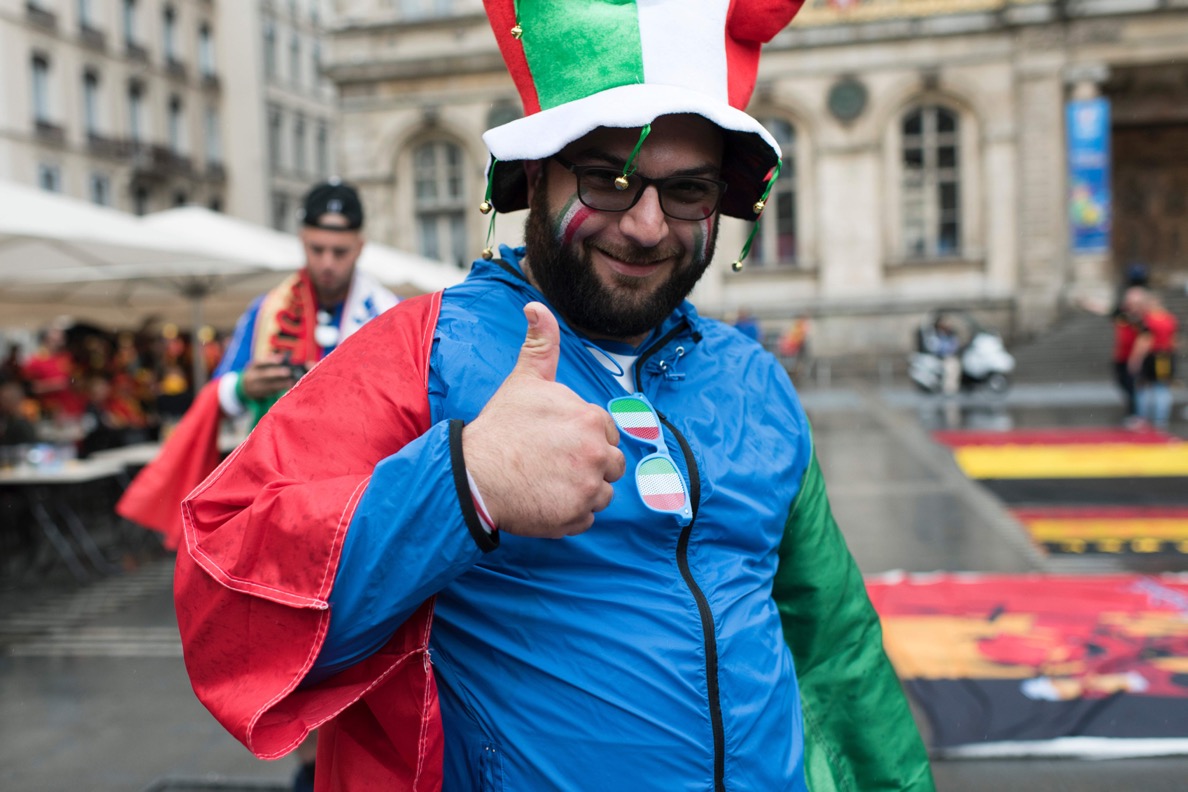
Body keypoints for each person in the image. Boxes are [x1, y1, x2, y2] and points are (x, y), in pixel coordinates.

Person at [175, 3, 934, 791]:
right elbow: (223, 595)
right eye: (609, 180)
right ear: (537, 176)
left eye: (686, 191)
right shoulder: (417, 354)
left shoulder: (756, 382)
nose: (647, 226)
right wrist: (462, 483)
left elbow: (836, 655)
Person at [116, 179, 398, 552]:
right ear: (301, 240)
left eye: (339, 252)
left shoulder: (388, 312)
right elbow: (220, 393)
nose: (327, 263)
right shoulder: (266, 310)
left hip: (359, 492)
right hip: (279, 492)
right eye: (317, 249)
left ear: (359, 247)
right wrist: (244, 386)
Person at [1127, 287, 1179, 431]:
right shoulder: (1170, 318)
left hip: (1152, 356)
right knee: (1162, 387)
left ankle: (1142, 418)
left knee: (1143, 387)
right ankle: (1160, 419)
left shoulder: (1148, 320)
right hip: (1166, 356)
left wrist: (1135, 358)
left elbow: (1145, 340)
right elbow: (1174, 340)